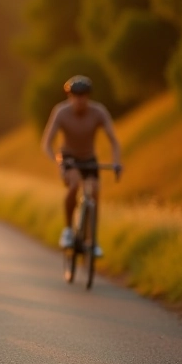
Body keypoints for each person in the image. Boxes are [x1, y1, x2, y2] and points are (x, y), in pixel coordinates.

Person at [40, 75, 122, 257]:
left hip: (89, 158)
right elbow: (47, 142)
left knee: (94, 192)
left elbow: (114, 141)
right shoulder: (61, 112)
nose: (80, 99)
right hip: (69, 158)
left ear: (89, 96)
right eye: (75, 95)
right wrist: (57, 160)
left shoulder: (98, 111)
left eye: (83, 95)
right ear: (69, 96)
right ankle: (68, 230)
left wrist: (117, 162)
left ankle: (92, 241)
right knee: (75, 184)